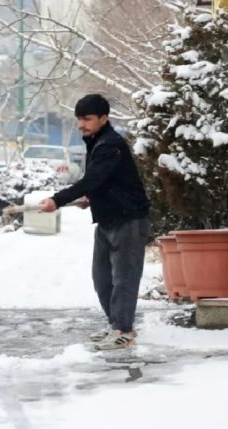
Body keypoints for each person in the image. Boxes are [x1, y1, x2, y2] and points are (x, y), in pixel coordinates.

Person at [39, 94, 150, 350]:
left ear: (104, 118)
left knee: (124, 278)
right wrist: (91, 197)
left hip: (129, 219)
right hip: (108, 219)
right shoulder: (97, 142)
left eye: (87, 119)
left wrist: (57, 200)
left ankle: (124, 330)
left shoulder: (111, 144)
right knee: (102, 279)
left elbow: (92, 178)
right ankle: (115, 325)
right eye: (79, 119)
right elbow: (105, 181)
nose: (81, 124)